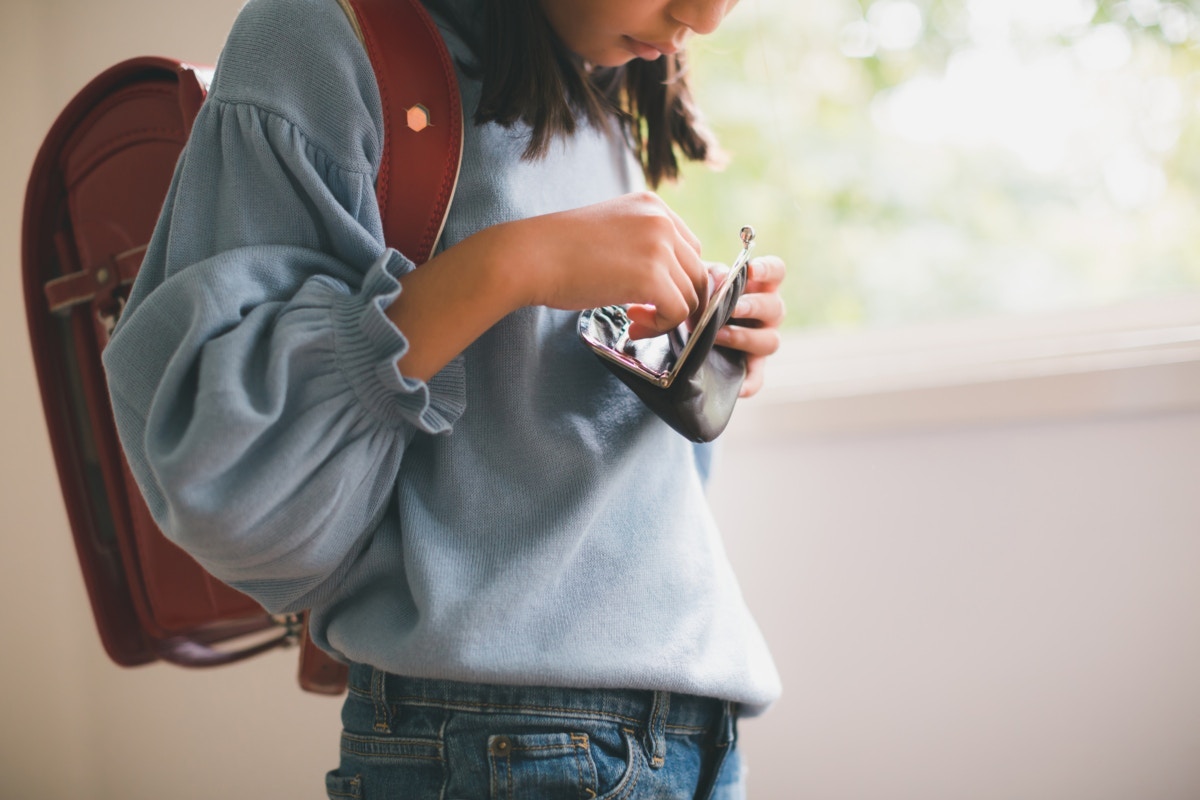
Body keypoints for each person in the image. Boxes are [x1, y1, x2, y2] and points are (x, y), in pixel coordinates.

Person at [103, 0, 786, 796]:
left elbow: (531, 422)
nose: (702, 19)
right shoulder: (321, 39)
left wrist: (695, 348)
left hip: (696, 723)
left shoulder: (593, 69)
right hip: (503, 741)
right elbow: (219, 464)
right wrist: (509, 266)